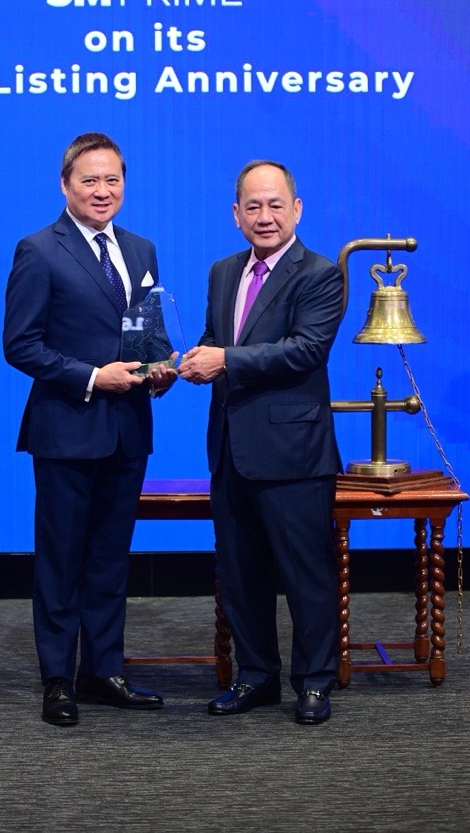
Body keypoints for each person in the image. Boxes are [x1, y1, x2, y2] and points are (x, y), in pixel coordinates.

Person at [3, 132, 175, 727]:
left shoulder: (142, 249)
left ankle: (102, 670)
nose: (103, 191)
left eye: (112, 180)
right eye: (90, 180)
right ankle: (58, 678)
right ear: (65, 185)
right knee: (60, 560)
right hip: (67, 428)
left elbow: (147, 335)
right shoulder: (38, 250)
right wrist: (94, 377)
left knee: (109, 558)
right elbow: (20, 345)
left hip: (128, 429)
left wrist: (159, 369)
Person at [178, 160, 343, 725]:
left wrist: (223, 360)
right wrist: (186, 361)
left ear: (297, 209)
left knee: (305, 574)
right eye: (253, 206)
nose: (264, 216)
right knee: (240, 573)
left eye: (275, 205)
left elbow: (305, 350)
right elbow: (216, 338)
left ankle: (314, 682)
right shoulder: (223, 271)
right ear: (236, 214)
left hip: (294, 454)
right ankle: (255, 676)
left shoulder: (319, 273)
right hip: (230, 448)